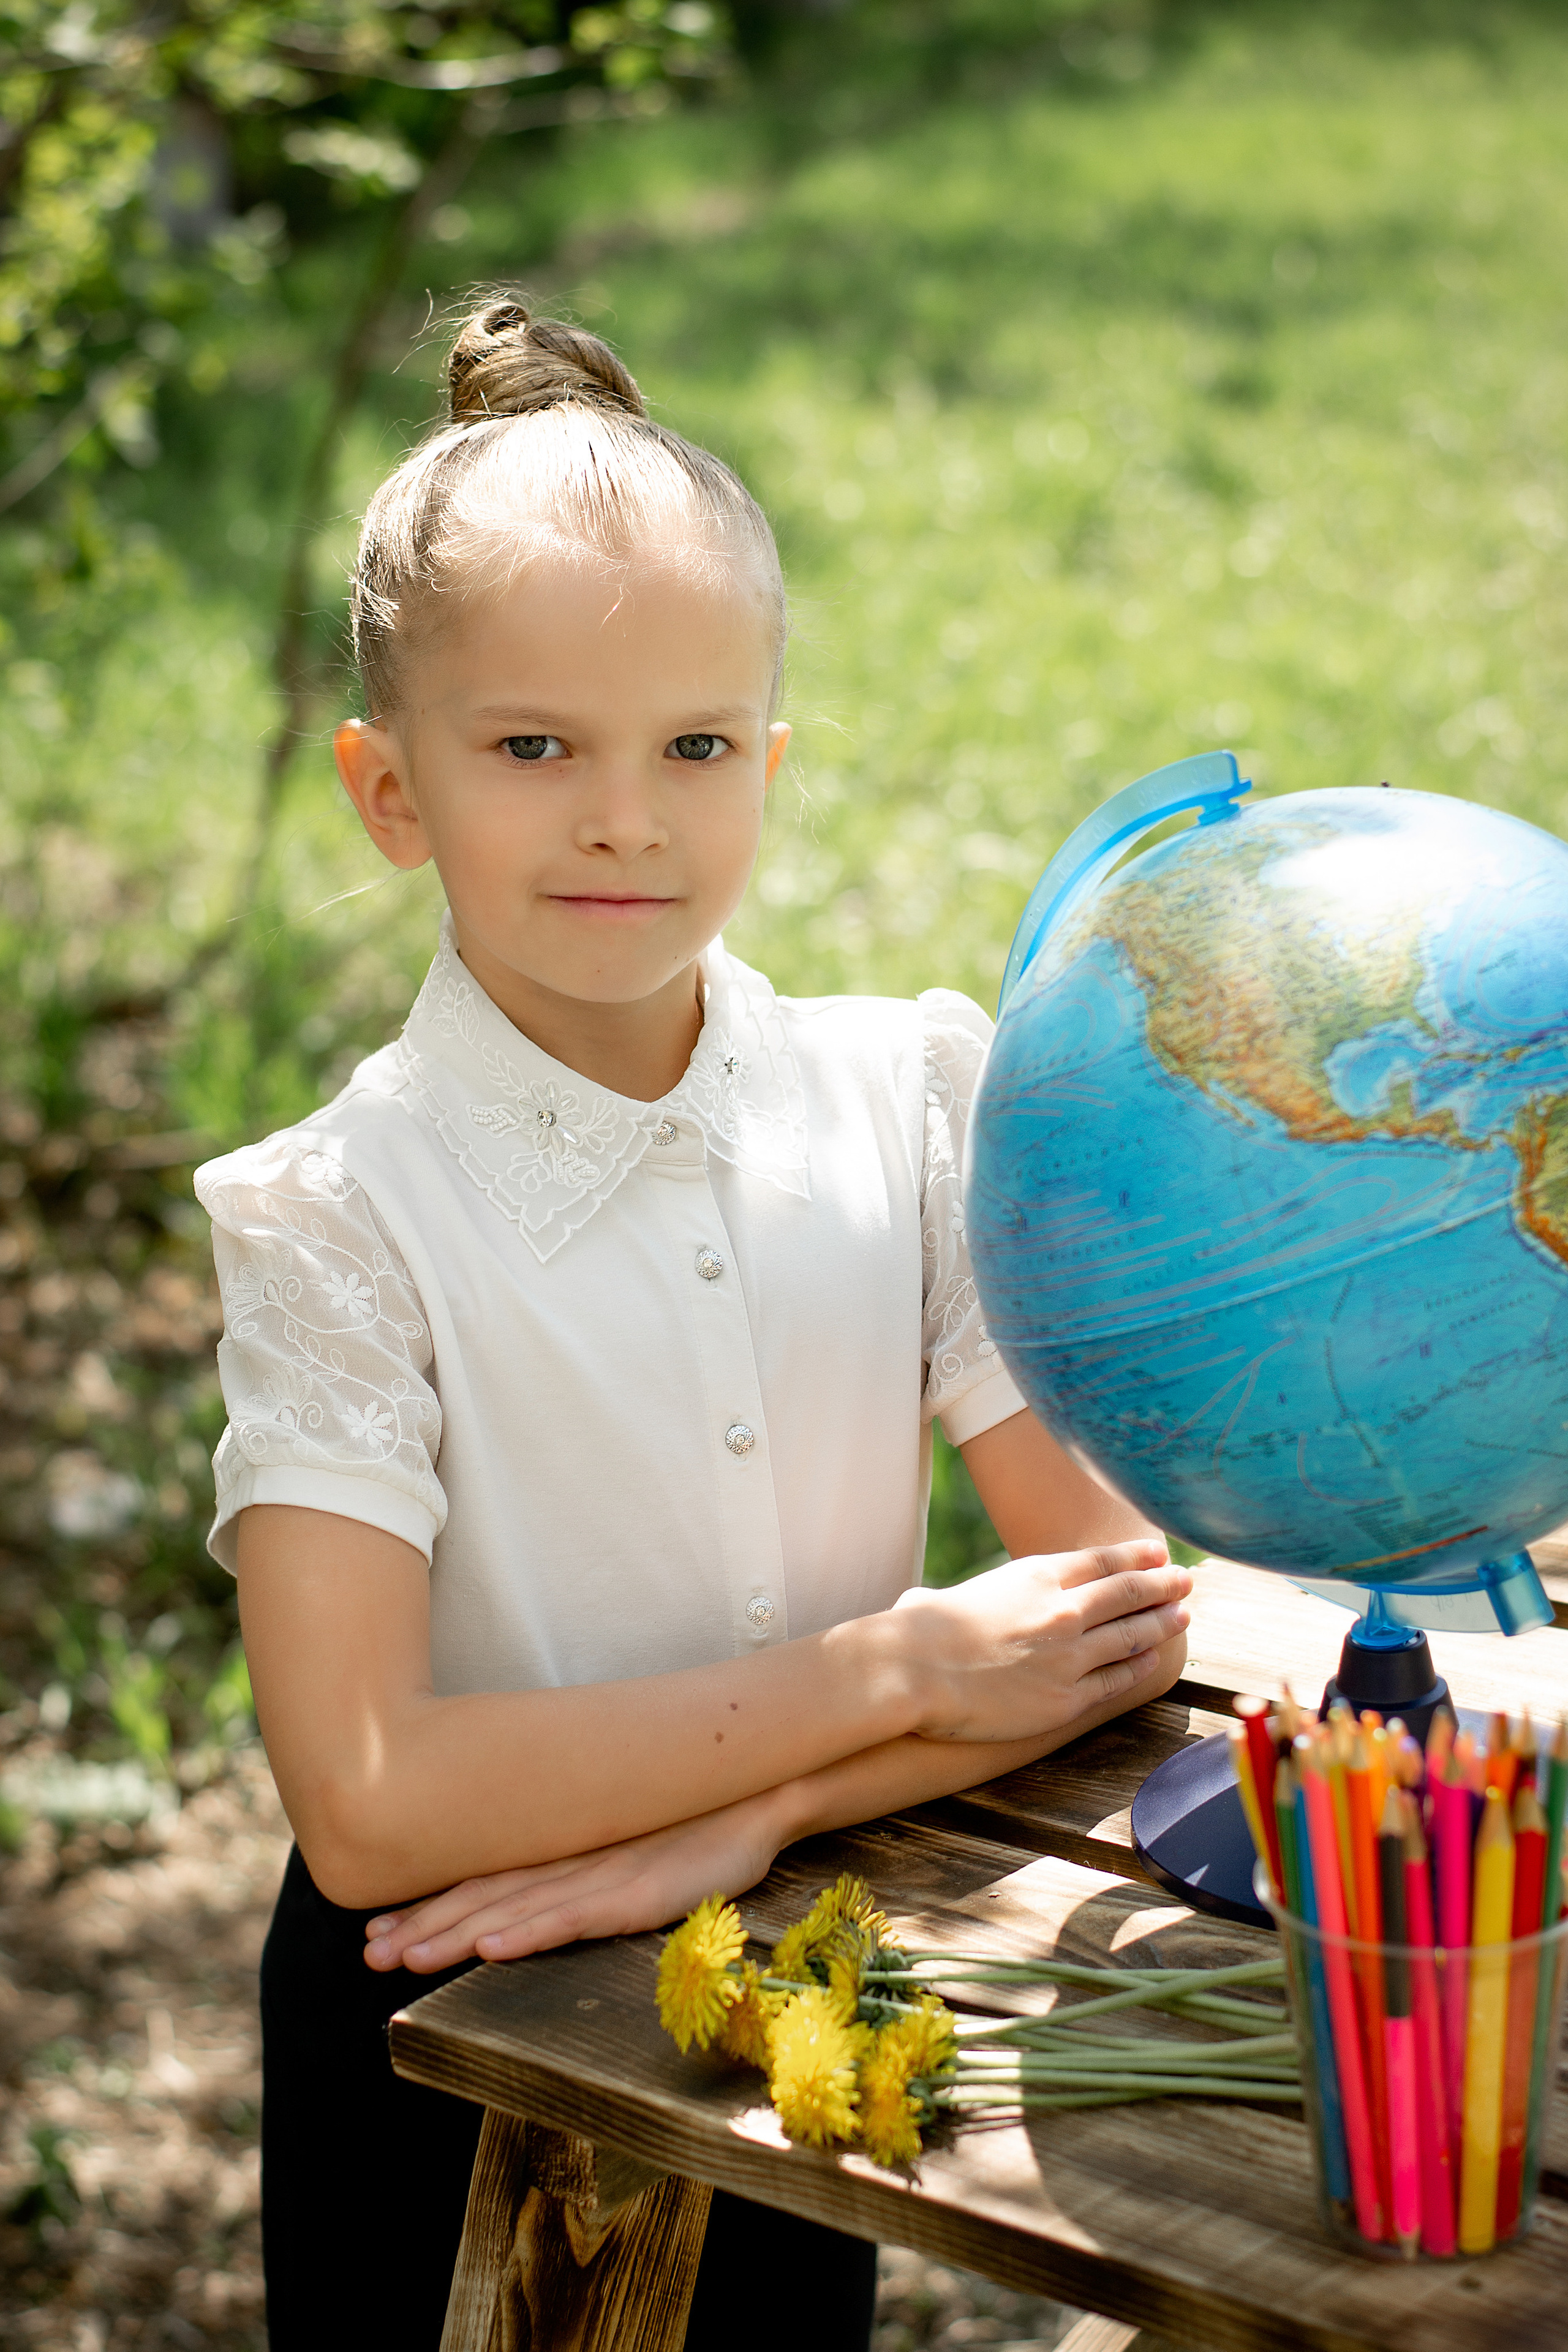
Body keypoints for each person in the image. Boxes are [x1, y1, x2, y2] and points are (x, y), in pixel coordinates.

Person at [195, 300, 1191, 2352]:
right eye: (534, 747)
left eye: (696, 748)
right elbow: (371, 1801)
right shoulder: (337, 1213)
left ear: (772, 760)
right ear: (389, 791)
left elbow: (1106, 1613)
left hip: (798, 1979)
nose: (626, 817)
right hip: (452, 2034)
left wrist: (752, 1814)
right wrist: (900, 1672)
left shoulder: (905, 1100)